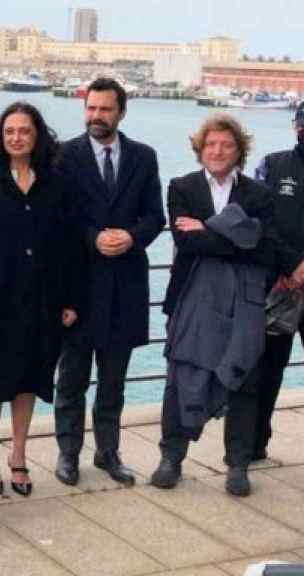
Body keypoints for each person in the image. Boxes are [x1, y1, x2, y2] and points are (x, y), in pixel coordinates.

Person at [150, 113, 304, 496]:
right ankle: (172, 457)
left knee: (246, 381)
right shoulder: (181, 187)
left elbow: (265, 249)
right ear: (201, 149)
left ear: (239, 152)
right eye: (211, 145)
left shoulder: (259, 194)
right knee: (181, 379)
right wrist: (238, 232)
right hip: (191, 298)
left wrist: (209, 227)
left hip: (246, 302)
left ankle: (237, 465)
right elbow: (189, 244)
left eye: (227, 145)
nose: (218, 151)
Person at [0, 102, 79, 496]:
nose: (16, 137)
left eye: (24, 130)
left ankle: (18, 456)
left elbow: (71, 246)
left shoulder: (57, 183)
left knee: (29, 379)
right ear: (0, 137)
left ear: (36, 135)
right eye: (9, 131)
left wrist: (71, 299)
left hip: (43, 300)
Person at [54, 77, 165, 487]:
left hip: (126, 288)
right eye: (91, 108)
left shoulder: (144, 157)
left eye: (104, 109)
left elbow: (156, 216)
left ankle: (108, 452)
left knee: (113, 384)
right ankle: (68, 454)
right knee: (71, 380)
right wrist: (93, 237)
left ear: (121, 111)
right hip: (79, 289)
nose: (96, 116)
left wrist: (133, 236)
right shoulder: (64, 156)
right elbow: (60, 218)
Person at [251, 102, 304, 462]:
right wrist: (292, 265)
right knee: (267, 371)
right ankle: (254, 445)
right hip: (280, 286)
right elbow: (259, 223)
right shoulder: (271, 165)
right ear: (295, 125)